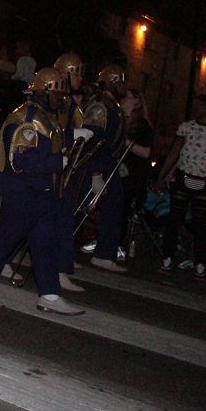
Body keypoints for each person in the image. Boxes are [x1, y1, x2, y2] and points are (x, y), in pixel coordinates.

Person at [0, 68, 84, 316]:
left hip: (42, 193)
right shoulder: (26, 118)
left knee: (45, 247)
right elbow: (22, 162)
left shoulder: (46, 117)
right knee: (1, 241)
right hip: (18, 192)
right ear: (44, 91)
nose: (61, 98)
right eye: (57, 93)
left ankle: (50, 295)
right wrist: (58, 163)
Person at [155, 94, 206, 280]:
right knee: (175, 219)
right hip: (184, 177)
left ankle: (200, 263)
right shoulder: (186, 128)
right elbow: (175, 152)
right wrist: (161, 177)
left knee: (200, 224)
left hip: (204, 180)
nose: (196, 109)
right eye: (195, 105)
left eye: (200, 106)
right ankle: (167, 257)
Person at [79, 64, 128, 272]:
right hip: (96, 162)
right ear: (112, 81)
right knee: (79, 207)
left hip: (108, 161)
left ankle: (104, 253)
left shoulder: (111, 104)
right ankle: (59, 251)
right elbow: (93, 140)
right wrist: (96, 173)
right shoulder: (99, 105)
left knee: (113, 207)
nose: (125, 86)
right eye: (122, 81)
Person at [53, 53, 93, 292]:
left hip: (64, 166)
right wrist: (71, 138)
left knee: (60, 219)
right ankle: (57, 270)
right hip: (51, 167)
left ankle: (60, 269)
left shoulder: (68, 101)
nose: (80, 77)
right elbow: (49, 131)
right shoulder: (58, 101)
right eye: (75, 72)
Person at [119, 88, 153, 255]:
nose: (122, 100)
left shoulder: (142, 125)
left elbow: (146, 152)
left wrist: (127, 142)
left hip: (132, 174)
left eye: (127, 97)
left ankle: (118, 244)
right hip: (117, 170)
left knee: (123, 209)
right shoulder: (118, 119)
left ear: (136, 101)